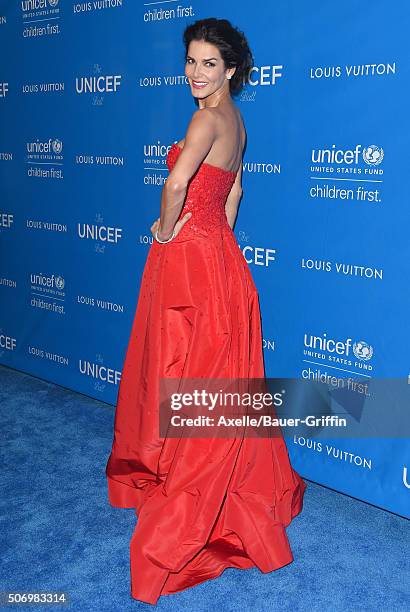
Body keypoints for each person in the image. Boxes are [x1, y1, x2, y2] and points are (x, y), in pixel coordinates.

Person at [105, 17, 306, 605]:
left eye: (208, 64)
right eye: (190, 62)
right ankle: (216, 476)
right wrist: (216, 238)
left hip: (189, 261)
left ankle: (184, 486)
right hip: (222, 259)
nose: (195, 73)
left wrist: (167, 234)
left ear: (231, 70)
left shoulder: (202, 119)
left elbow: (175, 187)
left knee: (174, 365)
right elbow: (233, 194)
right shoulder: (238, 123)